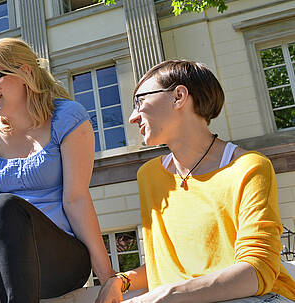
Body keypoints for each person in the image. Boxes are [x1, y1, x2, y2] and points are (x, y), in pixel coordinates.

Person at [96, 60, 295, 303]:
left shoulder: (248, 167)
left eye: (140, 101)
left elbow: (256, 271)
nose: (132, 117)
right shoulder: (149, 176)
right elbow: (168, 264)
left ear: (179, 97)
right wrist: (121, 280)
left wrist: (165, 296)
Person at [0, 37, 116, 303]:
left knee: (2, 206)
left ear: (25, 72)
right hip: (1, 264)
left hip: (59, 262)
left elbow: (76, 199)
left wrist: (108, 277)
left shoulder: (67, 119)